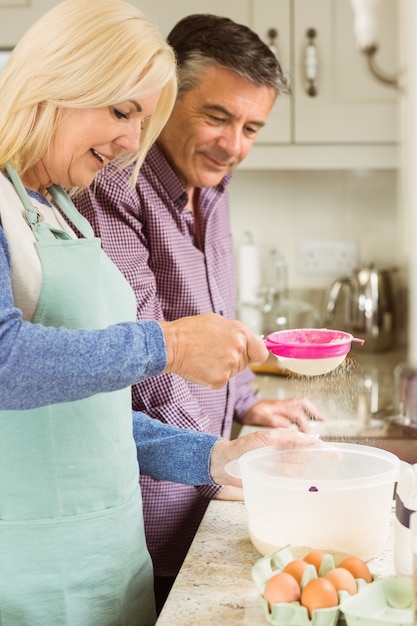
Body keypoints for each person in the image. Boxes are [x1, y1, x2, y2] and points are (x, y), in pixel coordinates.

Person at [0, 2, 321, 625]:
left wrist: (218, 457)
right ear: (56, 83)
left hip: (110, 564)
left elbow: (97, 414)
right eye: (122, 111)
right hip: (28, 573)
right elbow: (5, 361)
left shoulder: (63, 208)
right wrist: (167, 347)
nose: (130, 141)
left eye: (140, 118)